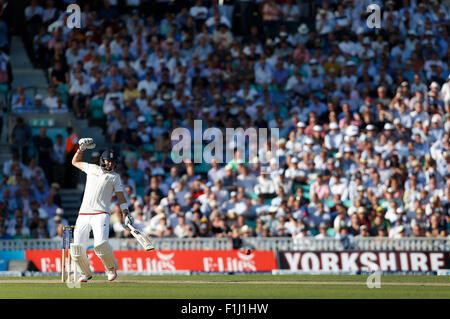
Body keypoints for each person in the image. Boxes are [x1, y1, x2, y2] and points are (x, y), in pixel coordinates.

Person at [70, 138, 144, 282]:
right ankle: (85, 273)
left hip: (101, 214)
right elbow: (74, 162)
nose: (110, 164)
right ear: (102, 160)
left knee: (100, 244)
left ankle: (110, 269)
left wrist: (126, 213)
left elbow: (121, 197)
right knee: (77, 248)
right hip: (84, 214)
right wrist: (81, 149)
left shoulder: (115, 177)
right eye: (108, 161)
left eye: (113, 162)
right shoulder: (91, 168)